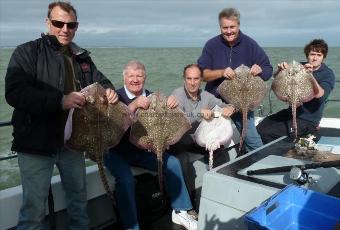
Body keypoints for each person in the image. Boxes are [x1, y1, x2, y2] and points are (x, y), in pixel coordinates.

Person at [4, 2, 118, 229]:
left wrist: (109, 90)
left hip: (73, 144)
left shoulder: (82, 57)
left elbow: (100, 81)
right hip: (36, 144)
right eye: (58, 23)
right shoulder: (27, 52)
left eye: (71, 25)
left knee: (78, 201)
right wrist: (60, 100)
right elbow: (15, 93)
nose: (65, 29)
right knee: (34, 210)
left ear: (76, 26)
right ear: (48, 23)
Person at [104, 60, 198, 230]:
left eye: (139, 75)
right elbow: (112, 126)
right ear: (124, 77)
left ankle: (181, 210)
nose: (135, 79)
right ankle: (131, 226)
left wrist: (172, 103)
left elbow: (169, 121)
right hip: (115, 152)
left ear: (145, 77)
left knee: (173, 164)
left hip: (143, 150)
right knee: (126, 180)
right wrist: (133, 105)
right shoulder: (114, 97)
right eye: (131, 75)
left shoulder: (152, 96)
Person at [197, 7, 273, 153]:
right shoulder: (211, 45)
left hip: (241, 102)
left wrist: (260, 70)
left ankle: (258, 165)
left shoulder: (250, 44)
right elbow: (202, 74)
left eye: (232, 27)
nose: (229, 31)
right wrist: (221, 72)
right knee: (208, 139)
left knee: (252, 140)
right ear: (220, 27)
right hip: (215, 99)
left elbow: (268, 69)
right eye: (225, 28)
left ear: (238, 25)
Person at [257, 39, 335, 144]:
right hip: (290, 112)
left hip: (308, 120)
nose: (315, 58)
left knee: (268, 133)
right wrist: (280, 70)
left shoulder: (327, 74)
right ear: (307, 55)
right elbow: (276, 78)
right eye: (312, 54)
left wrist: (310, 75)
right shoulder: (299, 66)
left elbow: (321, 96)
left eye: (319, 55)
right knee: (261, 127)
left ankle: (288, 153)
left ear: (323, 57)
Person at [171, 64, 235, 156]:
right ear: (184, 79)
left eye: (196, 79)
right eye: (189, 79)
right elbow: (177, 120)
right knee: (183, 161)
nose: (192, 83)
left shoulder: (206, 96)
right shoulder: (177, 95)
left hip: (202, 140)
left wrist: (230, 108)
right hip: (181, 143)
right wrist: (199, 112)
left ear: (201, 79)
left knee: (220, 153)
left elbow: (225, 106)